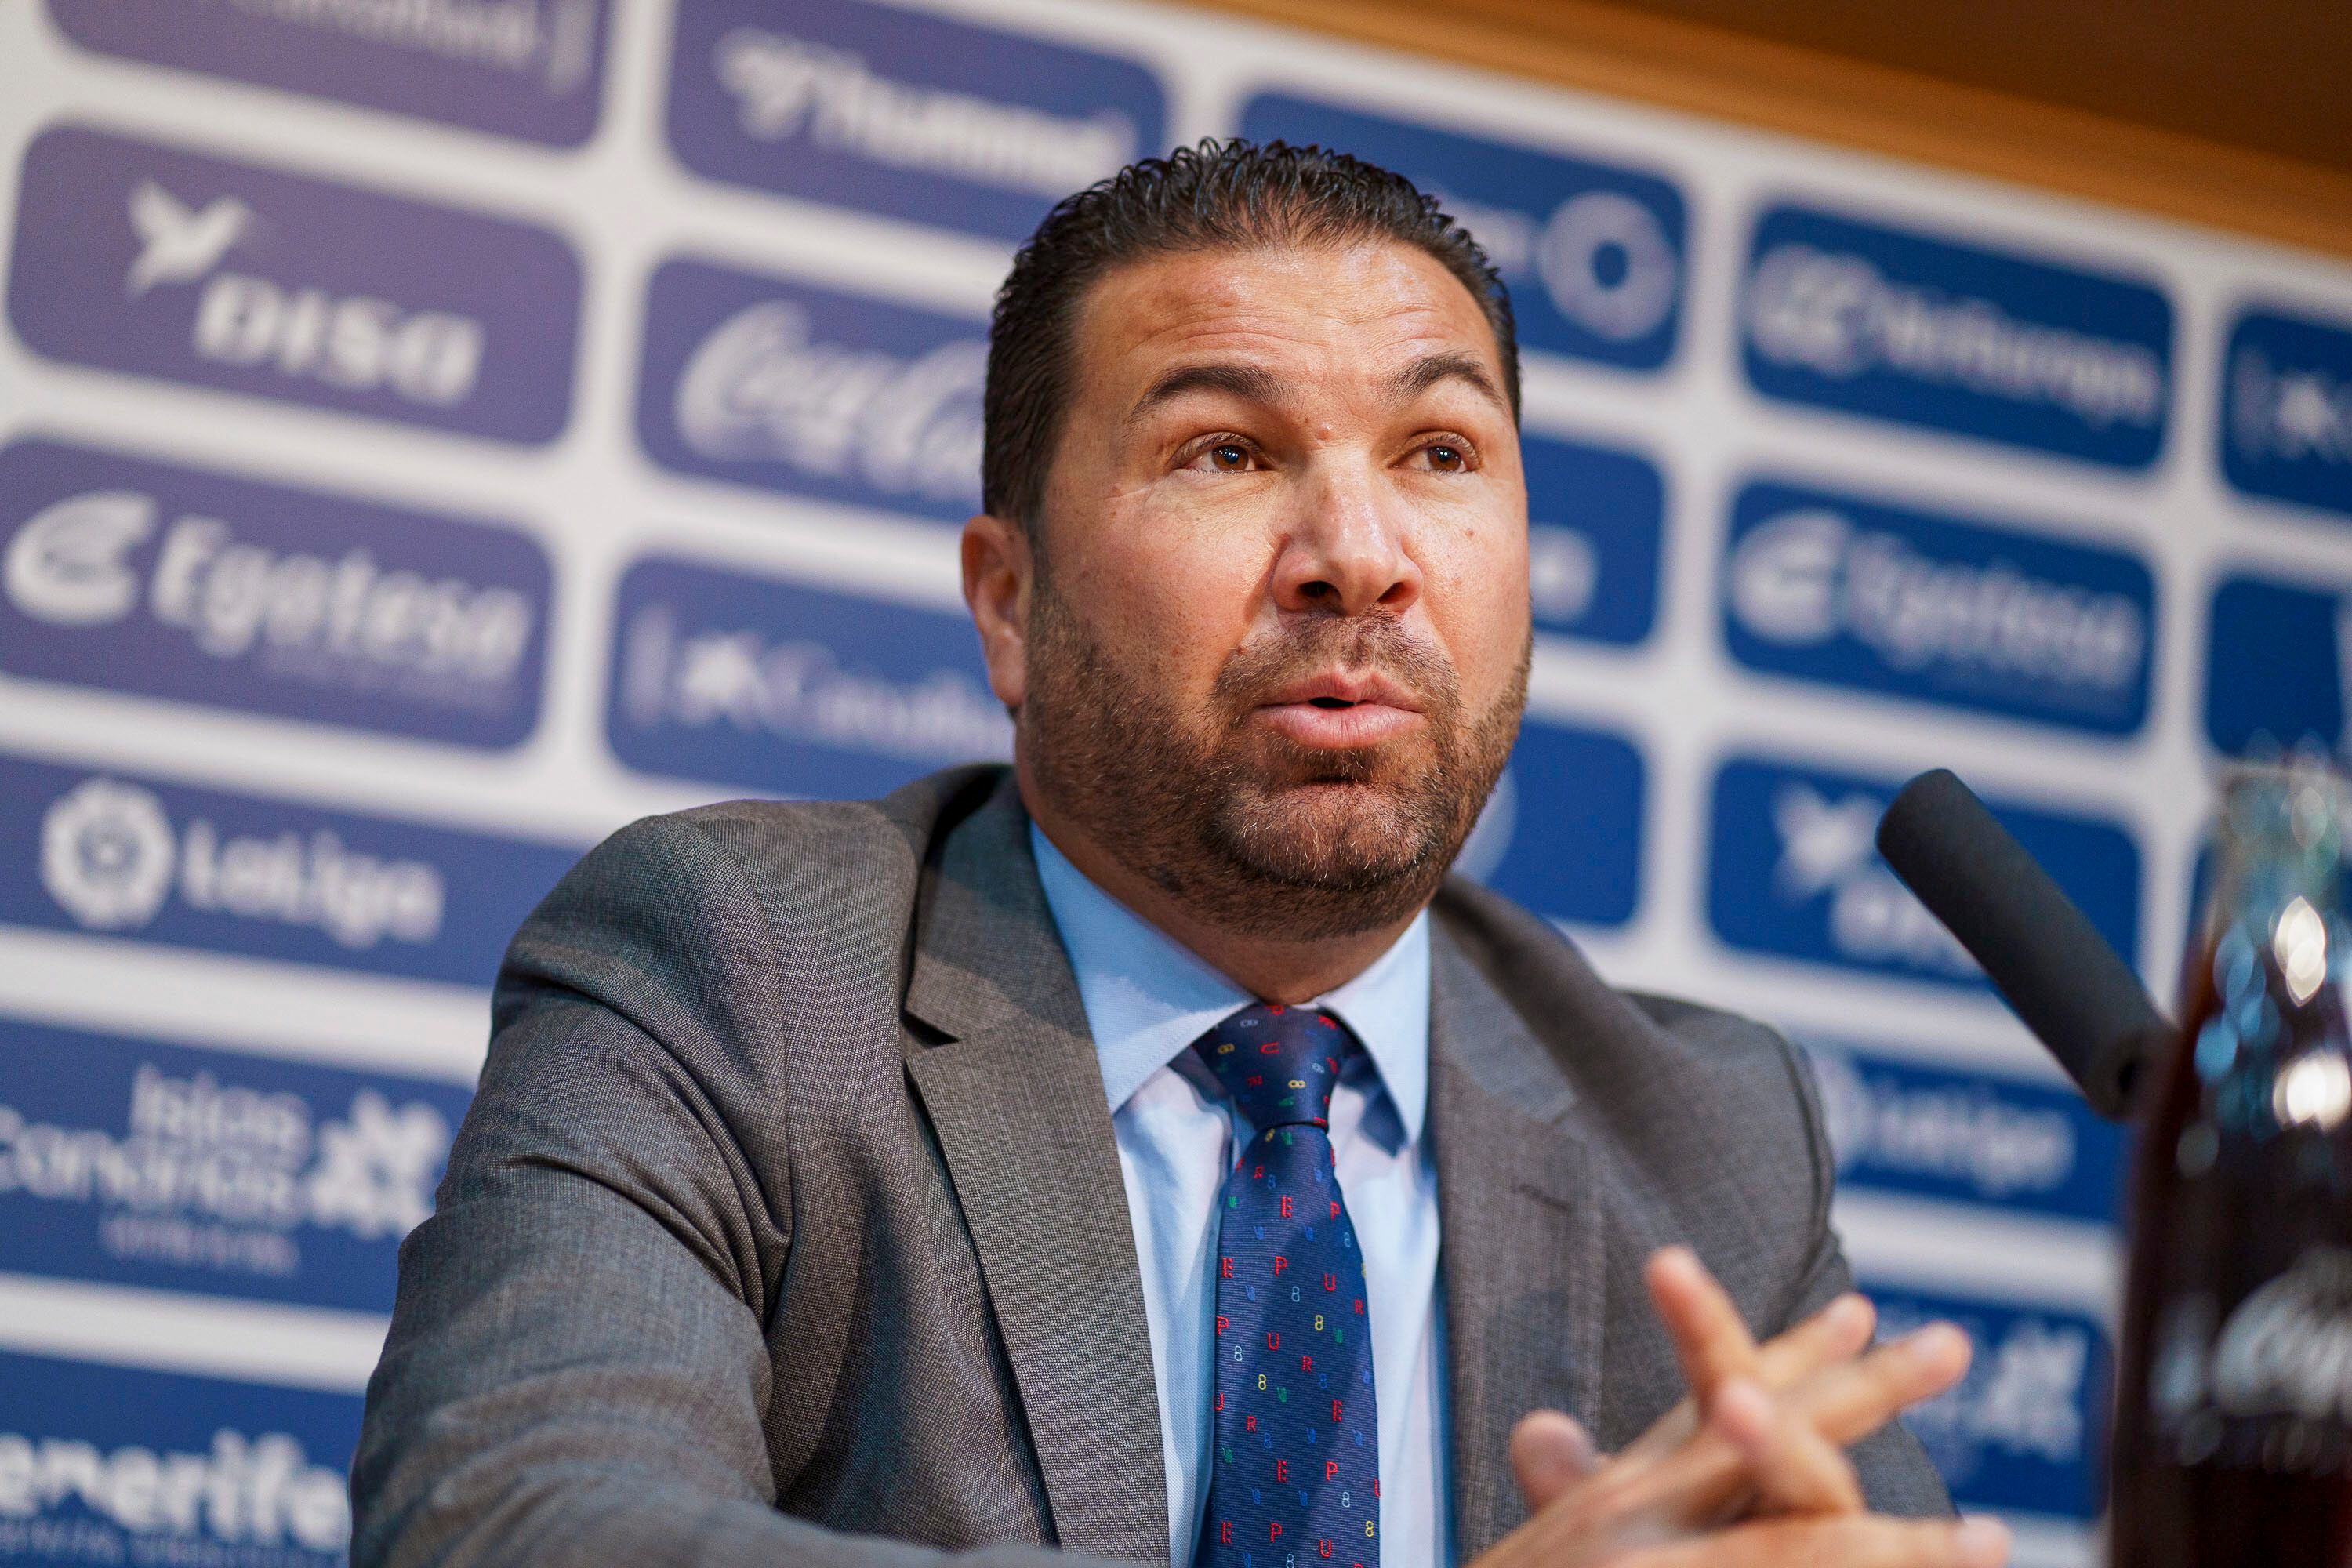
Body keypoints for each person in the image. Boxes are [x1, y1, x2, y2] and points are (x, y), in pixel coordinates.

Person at [353, 140, 2003, 1568]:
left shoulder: (1708, 1133)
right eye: (1227, 451)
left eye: (1438, 455)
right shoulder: (742, 966)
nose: (1360, 558)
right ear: (1011, 602)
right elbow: (512, 1521)